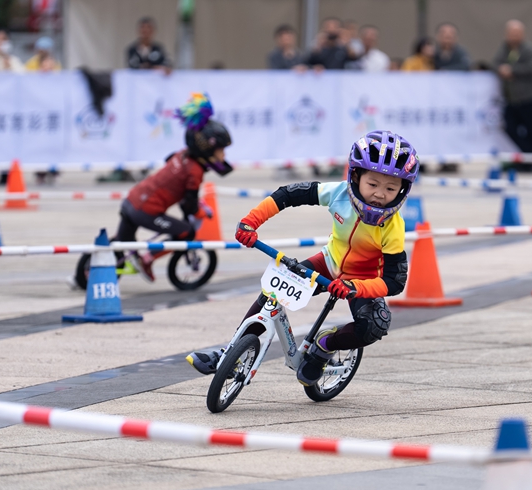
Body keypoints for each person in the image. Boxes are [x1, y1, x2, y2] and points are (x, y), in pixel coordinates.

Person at [187, 131, 417, 388]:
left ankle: (324, 346)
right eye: (372, 184)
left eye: (390, 188)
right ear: (355, 176)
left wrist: (356, 287)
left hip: (362, 281)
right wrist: (251, 222)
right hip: (328, 265)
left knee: (375, 325)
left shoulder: (394, 227)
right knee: (271, 293)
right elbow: (289, 194)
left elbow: (394, 281)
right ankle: (229, 354)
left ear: (402, 190)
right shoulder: (338, 193)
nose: (380, 194)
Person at [115, 94, 233, 282]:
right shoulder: (195, 171)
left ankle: (88, 273)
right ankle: (147, 258)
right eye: (221, 150)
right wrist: (199, 211)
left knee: (121, 243)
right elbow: (189, 205)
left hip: (131, 200)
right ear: (206, 148)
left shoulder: (181, 155)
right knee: (187, 232)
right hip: (145, 211)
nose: (223, 155)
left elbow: (176, 179)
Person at [493, 20, 532, 165]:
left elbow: (531, 67)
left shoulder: (529, 49)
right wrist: (501, 70)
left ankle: (529, 161)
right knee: (509, 128)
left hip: (528, 97)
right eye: (511, 33)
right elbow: (495, 63)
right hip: (511, 98)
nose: (514, 36)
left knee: (530, 131)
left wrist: (511, 70)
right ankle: (530, 156)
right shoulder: (504, 49)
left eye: (517, 33)